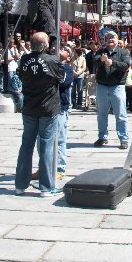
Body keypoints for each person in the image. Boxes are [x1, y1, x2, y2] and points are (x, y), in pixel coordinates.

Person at [15, 32, 65, 197]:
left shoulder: (24, 59)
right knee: (46, 146)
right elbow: (62, 78)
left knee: (26, 145)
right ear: (46, 45)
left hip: (29, 107)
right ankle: (46, 187)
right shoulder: (52, 60)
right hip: (48, 108)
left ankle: (20, 185)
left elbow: (21, 76)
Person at [92, 31, 130, 148]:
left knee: (121, 115)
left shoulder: (124, 52)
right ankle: (102, 137)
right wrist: (101, 60)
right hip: (102, 86)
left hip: (117, 86)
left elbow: (126, 65)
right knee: (102, 114)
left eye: (112, 37)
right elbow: (94, 64)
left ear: (117, 39)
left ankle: (123, 139)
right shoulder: (100, 52)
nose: (110, 40)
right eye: (108, 38)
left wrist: (112, 63)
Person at [56, 46, 74, 181]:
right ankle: (44, 167)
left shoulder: (67, 69)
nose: (61, 48)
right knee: (43, 141)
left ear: (68, 57)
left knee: (60, 139)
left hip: (60, 106)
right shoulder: (48, 64)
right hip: (46, 107)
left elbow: (62, 83)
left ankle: (59, 169)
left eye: (65, 49)